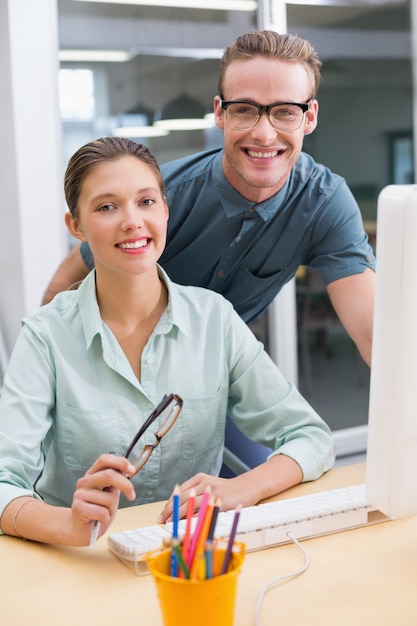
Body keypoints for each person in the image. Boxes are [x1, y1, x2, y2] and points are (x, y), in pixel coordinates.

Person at [0, 137, 335, 547]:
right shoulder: (45, 336)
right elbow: (4, 480)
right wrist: (65, 524)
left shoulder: (215, 319)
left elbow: (310, 436)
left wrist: (244, 486)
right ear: (76, 226)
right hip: (85, 561)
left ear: (165, 210)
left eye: (146, 202)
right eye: (107, 207)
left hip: (194, 557)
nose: (132, 221)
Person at [42, 30, 375, 368]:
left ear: (310, 117)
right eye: (245, 109)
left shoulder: (323, 204)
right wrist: (49, 375)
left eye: (286, 112)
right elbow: (74, 272)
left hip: (212, 375)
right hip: (118, 364)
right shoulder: (162, 195)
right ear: (220, 113)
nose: (263, 133)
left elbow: (373, 335)